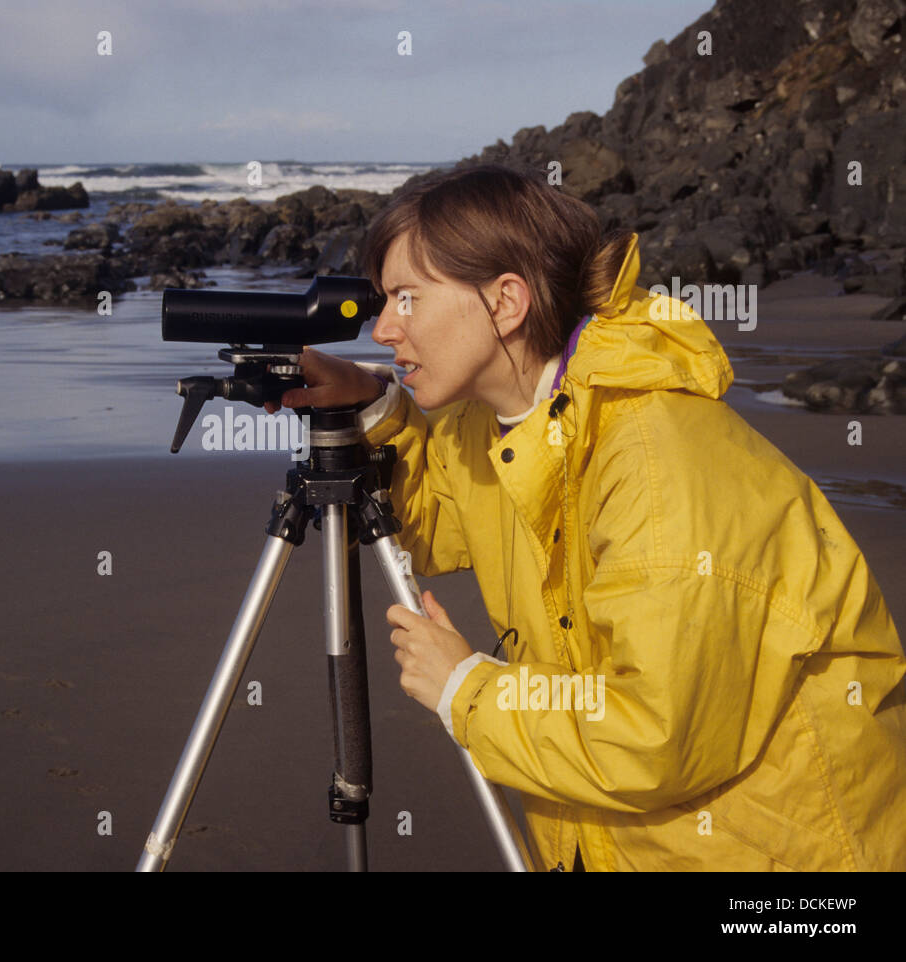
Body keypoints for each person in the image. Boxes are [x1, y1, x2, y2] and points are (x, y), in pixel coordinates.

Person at [265, 164, 906, 871]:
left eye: (408, 298)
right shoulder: (501, 419)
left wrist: (466, 690)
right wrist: (374, 408)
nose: (384, 328)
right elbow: (443, 517)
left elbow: (656, 738)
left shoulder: (660, 469)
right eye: (386, 300)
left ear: (506, 300)